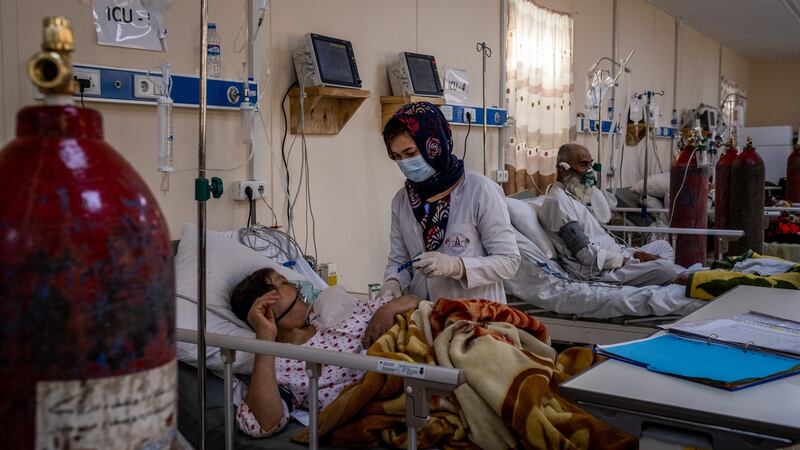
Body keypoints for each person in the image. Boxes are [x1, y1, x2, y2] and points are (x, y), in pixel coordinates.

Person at [228, 267, 421, 438]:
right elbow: (263, 424)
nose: (297, 287)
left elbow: (414, 300)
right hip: (405, 389)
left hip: (419, 349)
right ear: (268, 303)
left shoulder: (331, 314)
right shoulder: (282, 365)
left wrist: (387, 310)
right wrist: (264, 336)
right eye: (284, 283)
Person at [378, 102, 520, 304]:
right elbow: (399, 262)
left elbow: (509, 261)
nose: (405, 163)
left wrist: (457, 266)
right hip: (424, 318)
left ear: (434, 144)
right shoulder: (403, 201)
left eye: (410, 154)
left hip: (475, 317)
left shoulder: (480, 191)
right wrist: (392, 282)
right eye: (397, 157)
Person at [539, 143, 683, 287]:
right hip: (600, 271)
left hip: (618, 255)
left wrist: (634, 253)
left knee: (664, 246)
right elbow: (585, 254)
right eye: (583, 164)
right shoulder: (558, 202)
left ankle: (655, 276)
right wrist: (626, 260)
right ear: (564, 169)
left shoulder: (575, 195)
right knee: (666, 269)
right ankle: (666, 277)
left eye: (591, 164)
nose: (590, 171)